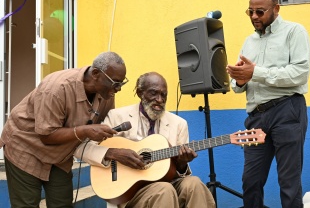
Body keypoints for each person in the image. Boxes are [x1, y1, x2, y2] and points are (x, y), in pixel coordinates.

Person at [0, 51, 129, 208]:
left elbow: (103, 125)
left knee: (62, 204)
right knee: (25, 205)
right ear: (96, 73)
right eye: (115, 83)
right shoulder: (56, 88)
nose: (118, 89)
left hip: (60, 156)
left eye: (121, 83)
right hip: (25, 147)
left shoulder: (107, 92)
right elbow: (46, 135)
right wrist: (85, 131)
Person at [75, 72, 216, 208]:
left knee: (195, 184)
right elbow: (82, 148)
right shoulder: (117, 116)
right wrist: (113, 153)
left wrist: (181, 164)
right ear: (140, 93)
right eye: (153, 93)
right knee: (163, 190)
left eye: (163, 95)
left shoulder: (179, 124)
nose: (159, 100)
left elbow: (179, 173)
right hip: (132, 193)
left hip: (170, 185)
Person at [226, 0, 310, 208]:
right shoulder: (249, 42)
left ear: (276, 9)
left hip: (287, 110)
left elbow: (300, 73)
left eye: (260, 12)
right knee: (250, 181)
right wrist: (240, 79)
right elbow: (237, 87)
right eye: (250, 12)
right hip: (256, 117)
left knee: (289, 183)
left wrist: (256, 73)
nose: (254, 17)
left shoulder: (294, 32)